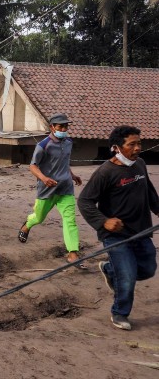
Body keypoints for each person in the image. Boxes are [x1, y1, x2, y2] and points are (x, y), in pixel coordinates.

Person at [78, 126, 159, 331]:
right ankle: (120, 313)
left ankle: (109, 269)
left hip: (140, 231)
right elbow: (85, 201)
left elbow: (149, 193)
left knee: (148, 269)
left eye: (139, 143)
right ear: (117, 148)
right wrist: (103, 221)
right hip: (115, 235)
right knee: (128, 276)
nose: (138, 148)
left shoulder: (139, 164)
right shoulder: (105, 172)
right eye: (132, 144)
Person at [17, 113, 84, 266]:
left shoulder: (68, 142)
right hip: (47, 190)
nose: (64, 129)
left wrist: (72, 176)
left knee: (70, 220)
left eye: (66, 126)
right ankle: (27, 225)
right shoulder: (43, 145)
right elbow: (33, 166)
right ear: (52, 127)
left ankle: (73, 253)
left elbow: (64, 162)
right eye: (60, 126)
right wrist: (44, 178)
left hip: (66, 188)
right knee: (39, 218)